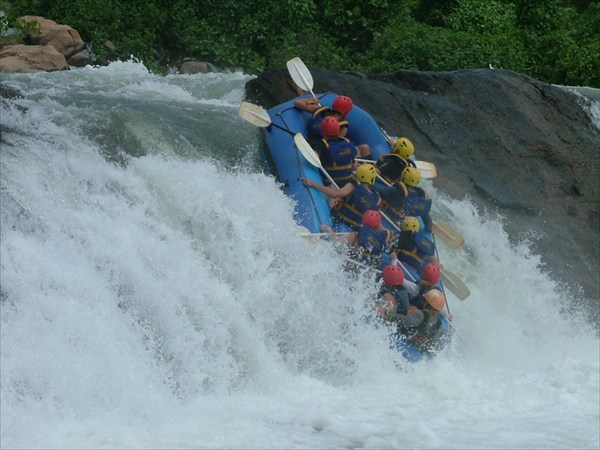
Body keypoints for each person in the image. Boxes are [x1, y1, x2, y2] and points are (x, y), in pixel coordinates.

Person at [303, 163, 381, 230]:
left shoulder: (353, 185)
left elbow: (335, 194)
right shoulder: (377, 198)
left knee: (332, 187)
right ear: (372, 179)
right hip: (355, 228)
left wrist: (313, 184)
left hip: (339, 220)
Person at [295, 94, 372, 159]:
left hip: (312, 143)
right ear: (346, 113)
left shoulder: (321, 110)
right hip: (324, 152)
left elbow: (297, 102)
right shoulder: (342, 127)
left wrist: (311, 101)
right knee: (364, 148)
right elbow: (335, 146)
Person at [379, 287, 447, 354]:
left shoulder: (421, 315)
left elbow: (403, 320)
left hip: (409, 343)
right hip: (420, 350)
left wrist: (387, 313)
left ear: (427, 303)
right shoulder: (439, 325)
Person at [322, 209, 393, 269]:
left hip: (350, 266)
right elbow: (385, 231)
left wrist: (328, 229)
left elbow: (338, 242)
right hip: (368, 269)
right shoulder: (384, 239)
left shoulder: (355, 235)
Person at [312, 116, 357, 187]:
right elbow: (354, 166)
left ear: (322, 130)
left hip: (332, 183)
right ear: (337, 130)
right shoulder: (346, 142)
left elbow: (314, 158)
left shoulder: (323, 144)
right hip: (349, 181)